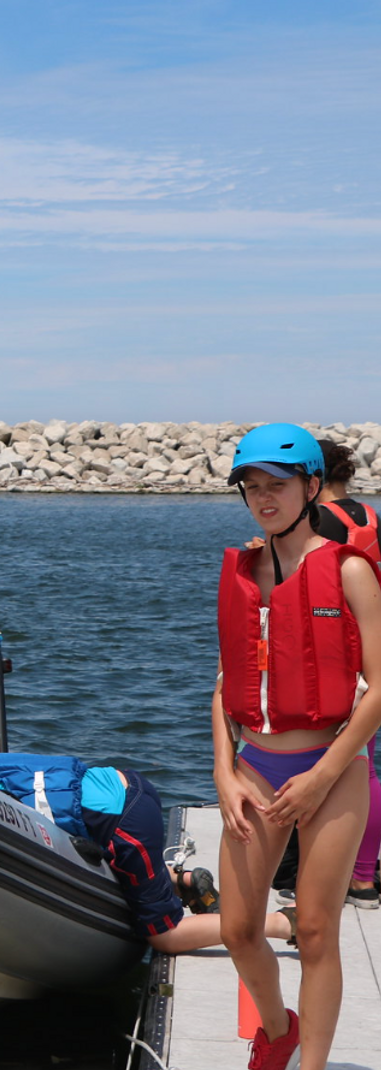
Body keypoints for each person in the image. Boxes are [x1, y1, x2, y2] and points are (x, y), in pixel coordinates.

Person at [214, 423, 381, 1070]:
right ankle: (278, 1027)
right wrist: (224, 772)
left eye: (276, 487)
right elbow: (226, 683)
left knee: (314, 929)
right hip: (256, 762)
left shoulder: (350, 572)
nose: (263, 499)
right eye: (252, 488)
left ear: (312, 487)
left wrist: (322, 778)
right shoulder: (244, 571)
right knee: (237, 930)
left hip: (332, 766)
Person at [0, 737, 295, 956]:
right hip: (125, 789)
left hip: (122, 822)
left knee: (164, 936)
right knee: (124, 873)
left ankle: (279, 924)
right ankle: (180, 882)